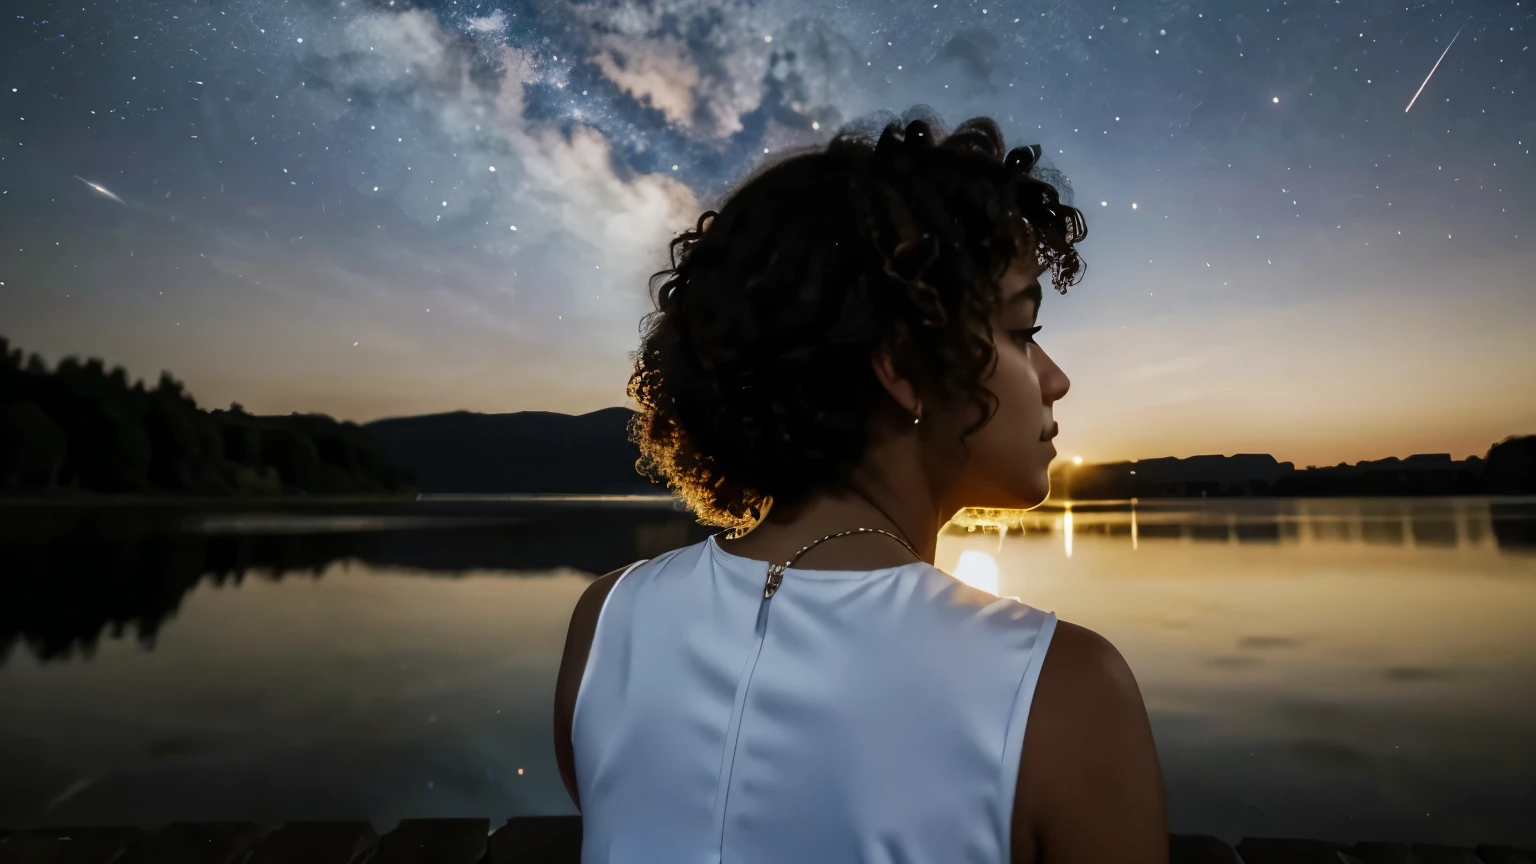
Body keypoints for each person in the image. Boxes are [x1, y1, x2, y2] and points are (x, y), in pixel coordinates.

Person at [554, 111, 1168, 864]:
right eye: (1021, 332)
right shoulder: (1062, 689)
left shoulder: (608, 622)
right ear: (903, 367)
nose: (1056, 380)